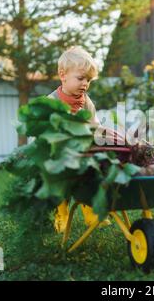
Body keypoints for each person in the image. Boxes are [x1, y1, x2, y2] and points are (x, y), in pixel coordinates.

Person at [49, 45, 124, 230]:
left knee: (92, 174)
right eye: (80, 78)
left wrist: (108, 133)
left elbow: (94, 126)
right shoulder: (51, 102)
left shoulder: (86, 102)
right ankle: (61, 213)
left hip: (83, 152)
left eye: (89, 80)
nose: (85, 84)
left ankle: (91, 212)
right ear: (63, 75)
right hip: (57, 155)